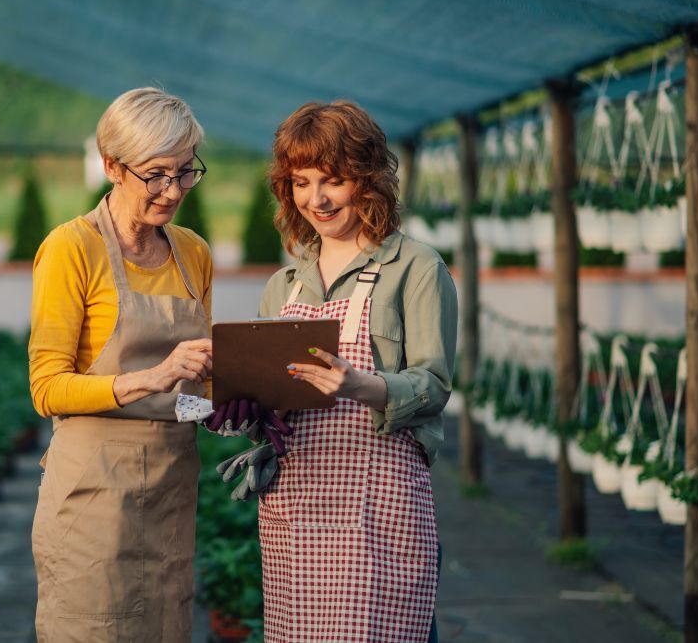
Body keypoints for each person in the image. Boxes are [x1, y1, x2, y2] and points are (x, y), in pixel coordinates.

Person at [254, 101, 457, 642]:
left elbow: (434, 385)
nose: (315, 199)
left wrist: (359, 386)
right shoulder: (284, 286)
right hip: (297, 508)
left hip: (379, 507)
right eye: (300, 182)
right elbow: (272, 399)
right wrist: (247, 404)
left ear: (367, 180)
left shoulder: (415, 267)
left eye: (333, 180)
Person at [28, 87, 213, 642]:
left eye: (185, 172)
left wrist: (225, 402)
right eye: (156, 174)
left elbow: (188, 395)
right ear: (112, 166)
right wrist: (150, 377)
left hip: (171, 490)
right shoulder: (71, 248)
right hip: (93, 496)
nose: (173, 190)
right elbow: (47, 389)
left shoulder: (193, 253)